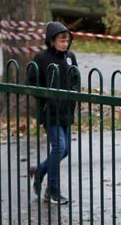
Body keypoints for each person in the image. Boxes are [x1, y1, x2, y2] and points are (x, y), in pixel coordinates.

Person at [25, 21, 81, 205]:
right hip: (50, 112)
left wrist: (75, 95)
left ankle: (39, 171)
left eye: (67, 41)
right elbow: (32, 83)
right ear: (51, 41)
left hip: (66, 111)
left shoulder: (70, 57)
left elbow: (75, 79)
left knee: (65, 151)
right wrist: (45, 99)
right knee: (59, 148)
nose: (65, 44)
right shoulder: (41, 59)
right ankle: (52, 190)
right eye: (61, 41)